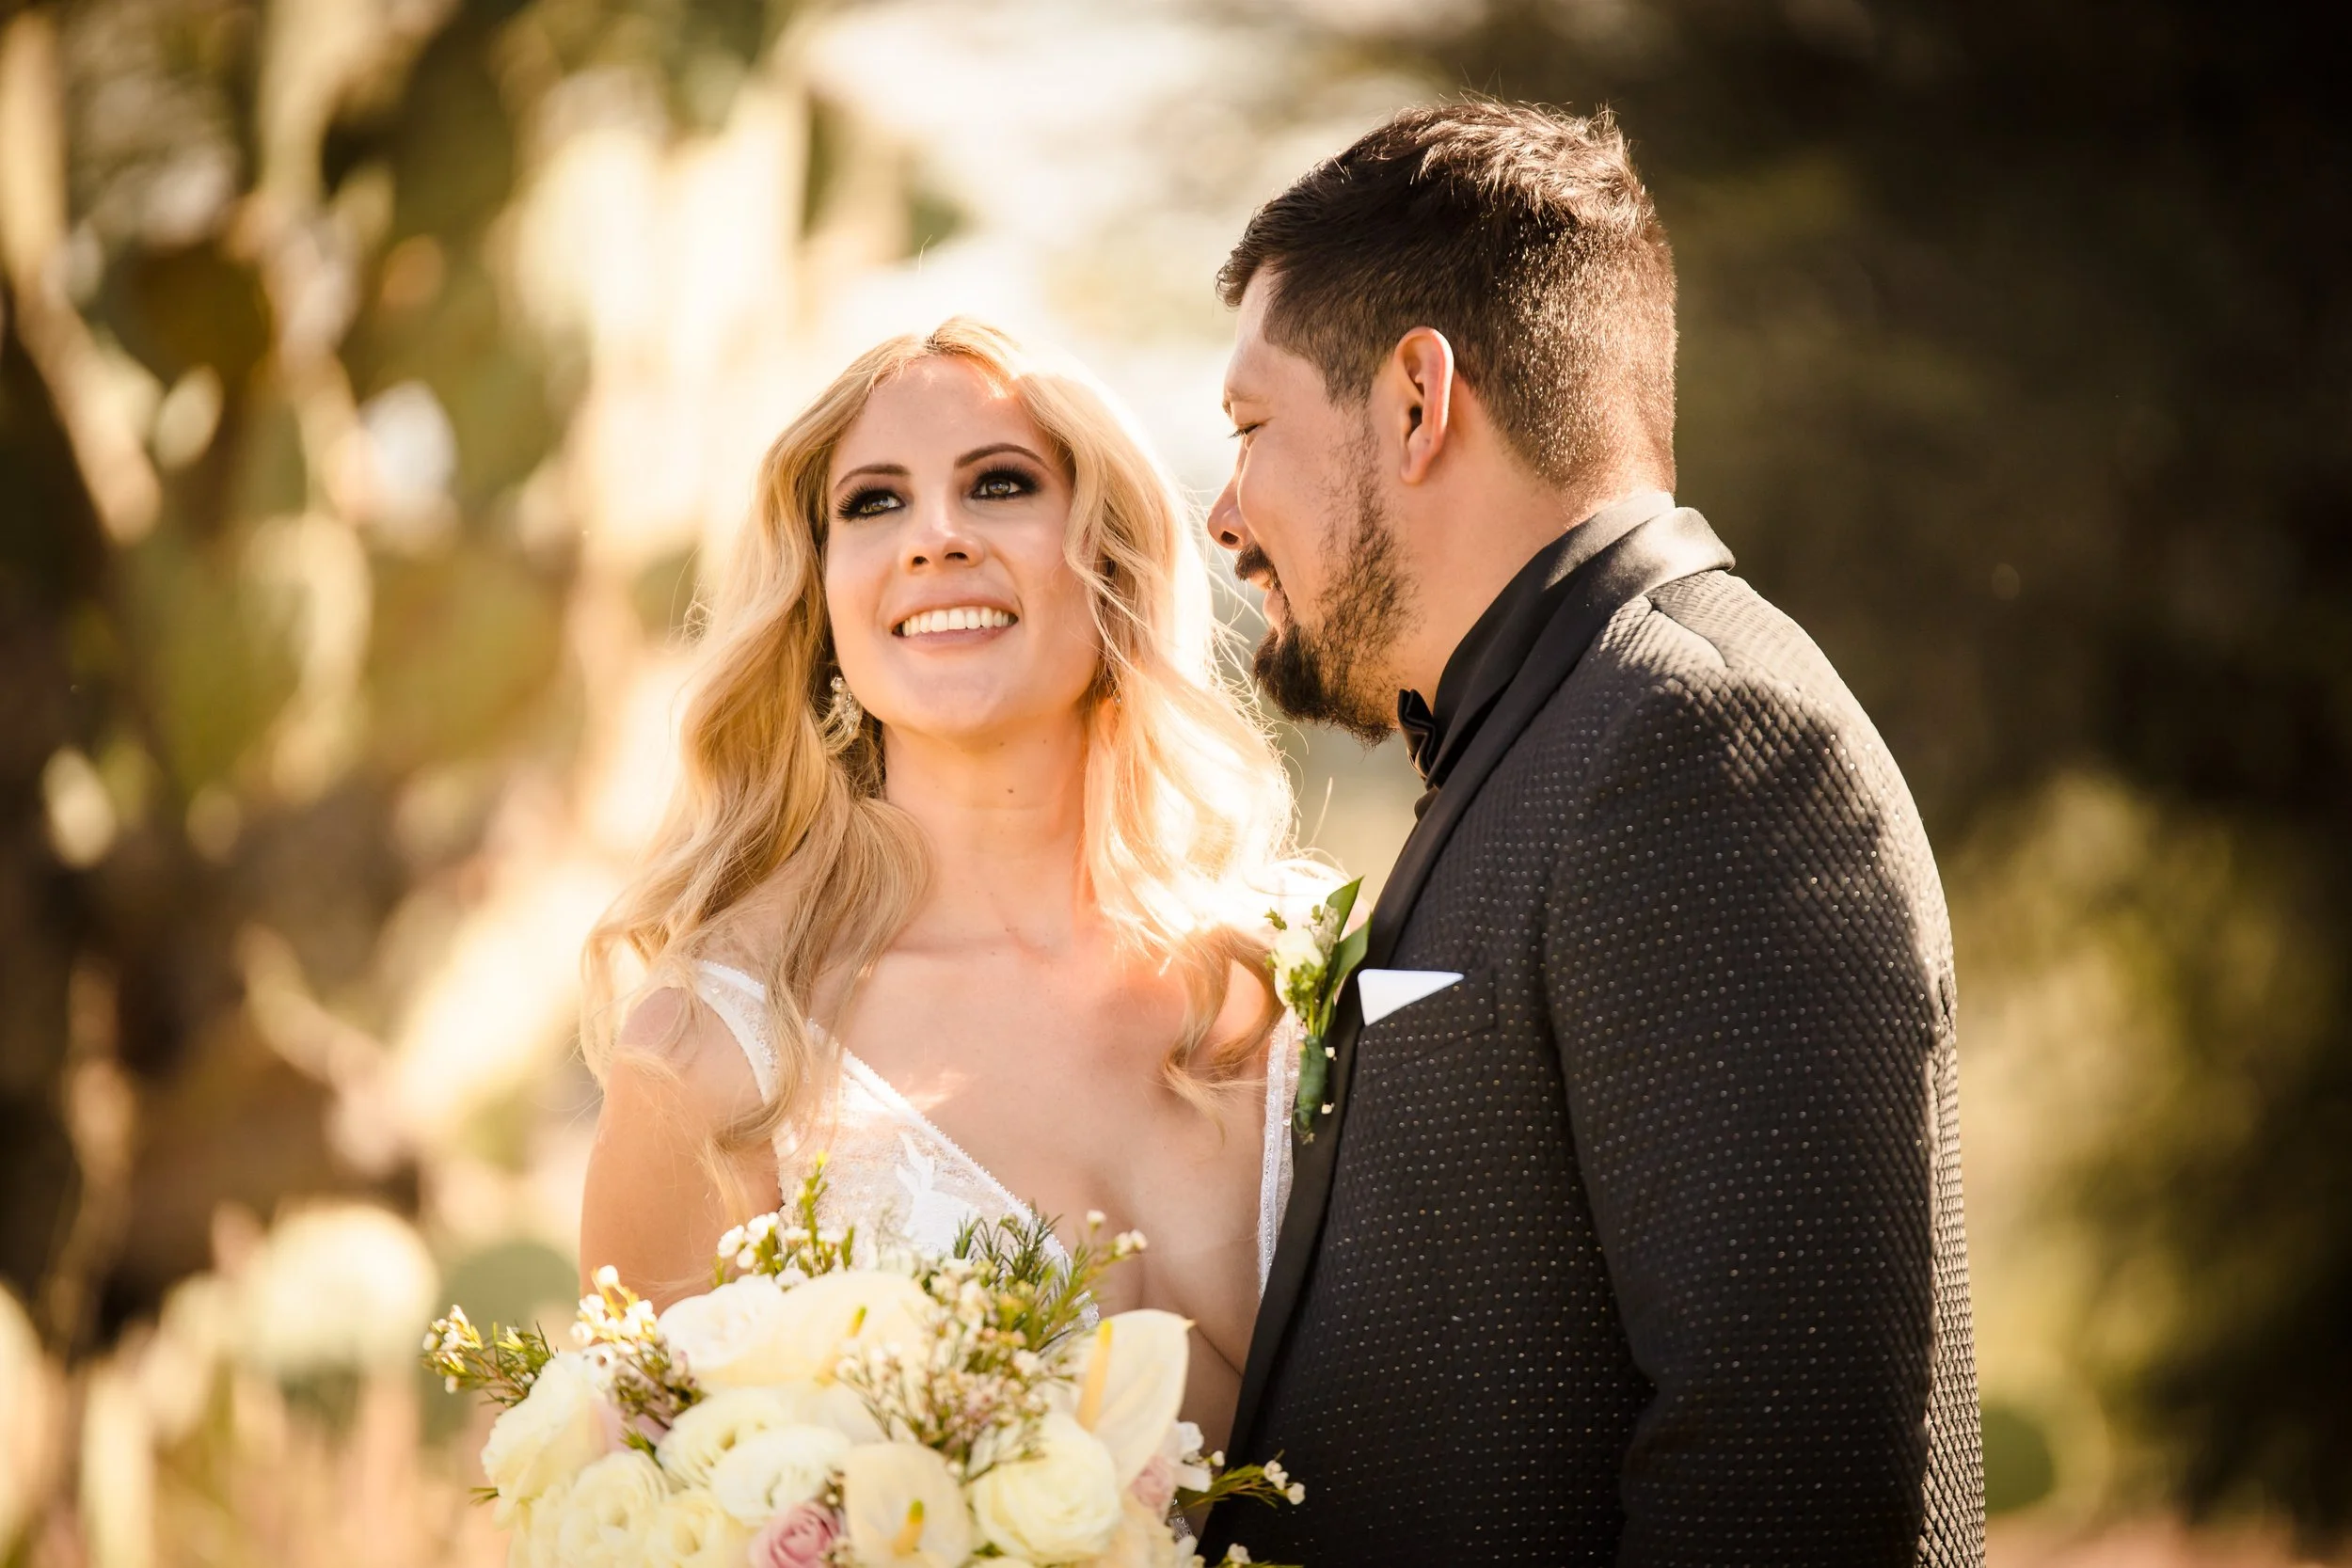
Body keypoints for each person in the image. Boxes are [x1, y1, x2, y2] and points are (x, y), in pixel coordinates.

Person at [1200, 102, 1985, 1564]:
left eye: (1251, 427)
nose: (1222, 513)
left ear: (1418, 401)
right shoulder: (1557, 730)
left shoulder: (1700, 749)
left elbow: (1784, 1467)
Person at [576, 319, 1310, 1450]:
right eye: (872, 502)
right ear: (822, 604)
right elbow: (643, 1507)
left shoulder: (1294, 978)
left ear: (1107, 553)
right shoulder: (717, 1050)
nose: (935, 537)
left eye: (1000, 483)